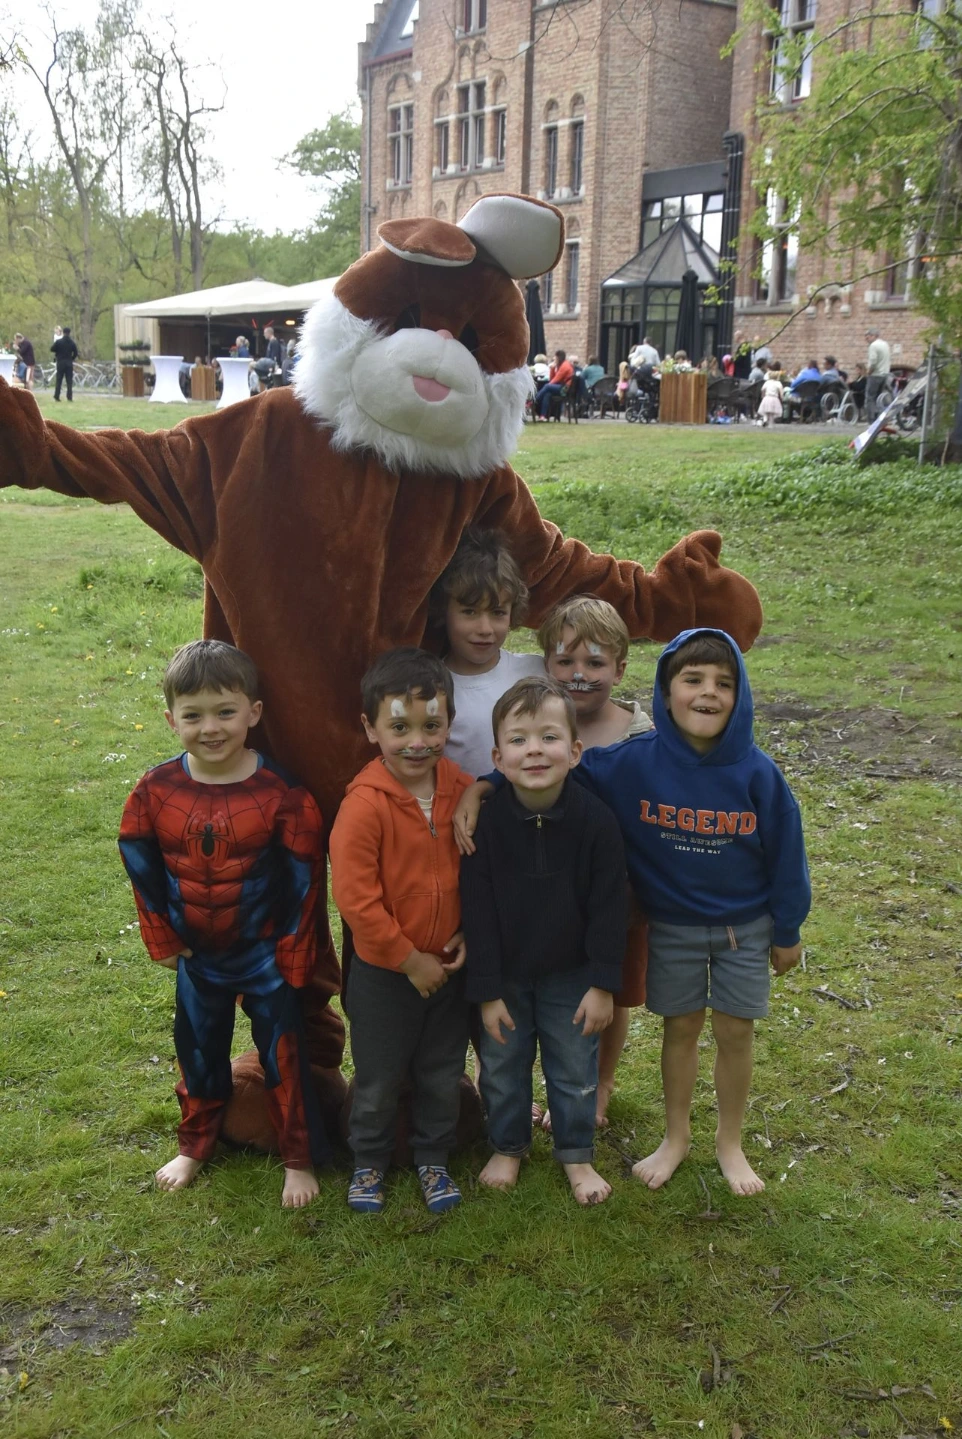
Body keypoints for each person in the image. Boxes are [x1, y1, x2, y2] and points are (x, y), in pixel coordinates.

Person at [456, 628, 809, 1196]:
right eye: (692, 679)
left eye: (724, 683)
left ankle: (729, 1143)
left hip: (745, 929)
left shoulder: (759, 773)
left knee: (735, 1033)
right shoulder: (630, 763)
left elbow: (788, 855)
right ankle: (675, 1139)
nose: (708, 693)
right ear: (666, 692)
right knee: (683, 1028)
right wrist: (484, 788)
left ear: (741, 696)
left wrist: (788, 929)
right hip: (672, 926)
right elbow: (548, 766)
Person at [118, 640, 329, 1207]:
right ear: (171, 719)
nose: (210, 727)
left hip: (264, 954)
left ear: (254, 713)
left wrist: (294, 947)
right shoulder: (153, 791)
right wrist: (158, 933)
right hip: (196, 955)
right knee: (198, 1051)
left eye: (225, 712)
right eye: (193, 715)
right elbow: (139, 860)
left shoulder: (284, 795)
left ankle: (298, 1157)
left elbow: (306, 878)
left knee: (284, 1055)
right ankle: (195, 1143)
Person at [460, 675, 628, 1205]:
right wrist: (486, 990)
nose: (534, 749)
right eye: (519, 739)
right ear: (498, 756)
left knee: (575, 1068)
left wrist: (603, 984)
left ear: (575, 751)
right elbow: (477, 912)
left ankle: (576, 1155)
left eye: (549, 737)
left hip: (572, 975)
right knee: (504, 1069)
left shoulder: (597, 823)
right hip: (505, 975)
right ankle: (508, 1146)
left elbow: (610, 909)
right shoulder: (485, 825)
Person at [329, 648, 473, 1215]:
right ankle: (368, 1162)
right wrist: (408, 959)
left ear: (449, 723)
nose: (418, 741)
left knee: (442, 1072)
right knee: (379, 1077)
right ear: (370, 728)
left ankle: (432, 1158)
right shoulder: (364, 806)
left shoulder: (460, 788)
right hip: (384, 975)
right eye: (399, 727)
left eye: (432, 725)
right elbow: (355, 900)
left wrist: (469, 933)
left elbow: (479, 872)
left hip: (450, 970)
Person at [539, 595, 651, 1126]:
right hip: (550, 887)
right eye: (565, 661)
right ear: (546, 664)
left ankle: (601, 1083)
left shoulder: (642, 734)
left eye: (595, 663)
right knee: (554, 985)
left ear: (620, 668)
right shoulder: (540, 727)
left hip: (623, 891)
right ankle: (555, 1081)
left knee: (615, 988)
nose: (578, 675)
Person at [433, 527, 544, 779]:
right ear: (443, 610)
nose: (485, 629)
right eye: (469, 612)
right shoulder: (433, 689)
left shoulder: (537, 673)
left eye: (497, 612)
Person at [535, 348, 574, 419]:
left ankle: (534, 401)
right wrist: (552, 369)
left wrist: (549, 385)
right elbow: (553, 379)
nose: (553, 358)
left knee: (547, 386)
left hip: (565, 389)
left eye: (555, 357)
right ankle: (543, 416)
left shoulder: (565, 366)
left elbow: (555, 380)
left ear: (558, 357)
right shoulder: (562, 365)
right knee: (547, 394)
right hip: (563, 387)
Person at [865, 328, 891, 419]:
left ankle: (871, 419)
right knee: (879, 397)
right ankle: (880, 418)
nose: (867, 340)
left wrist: (869, 371)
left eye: (867, 337)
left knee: (870, 398)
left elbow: (873, 361)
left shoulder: (873, 346)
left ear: (873, 336)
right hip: (885, 374)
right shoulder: (885, 344)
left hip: (875, 375)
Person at [51, 327, 79, 402]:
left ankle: (57, 396)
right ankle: (69, 397)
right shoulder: (72, 343)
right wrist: (71, 359)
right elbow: (76, 353)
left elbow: (52, 349)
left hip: (60, 362)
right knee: (69, 380)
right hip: (69, 363)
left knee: (59, 380)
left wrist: (58, 351)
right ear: (69, 333)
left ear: (63, 332)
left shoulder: (59, 342)